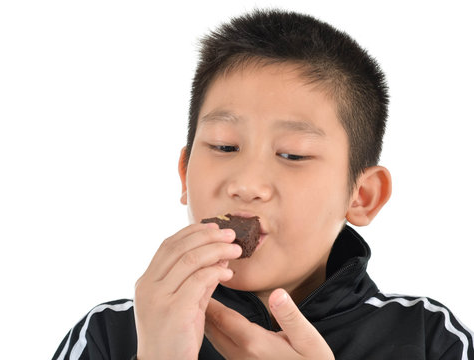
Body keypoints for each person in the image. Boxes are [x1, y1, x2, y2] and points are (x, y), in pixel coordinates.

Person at [52, 9, 473, 360]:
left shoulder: (428, 337)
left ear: (361, 196)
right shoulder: (111, 335)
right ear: (184, 175)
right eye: (223, 146)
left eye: (292, 154)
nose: (247, 184)